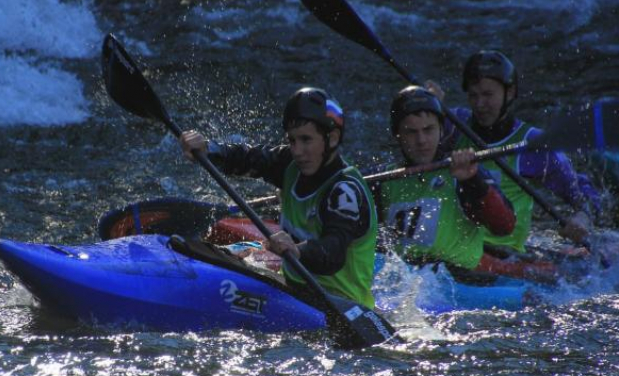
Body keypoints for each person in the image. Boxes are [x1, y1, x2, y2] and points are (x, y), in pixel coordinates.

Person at [178, 87, 378, 308]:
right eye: (292, 140)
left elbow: (333, 253)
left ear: (332, 138)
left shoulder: (344, 191)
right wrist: (208, 149)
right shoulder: (290, 164)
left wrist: (297, 249)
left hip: (339, 305)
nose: (297, 151)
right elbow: (249, 158)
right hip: (295, 291)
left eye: (306, 140)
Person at [432, 50, 602, 253]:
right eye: (473, 95)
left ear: (510, 92)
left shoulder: (534, 144)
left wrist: (581, 218)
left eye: (487, 95)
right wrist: (430, 103)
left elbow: (584, 194)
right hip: (455, 246)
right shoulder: (454, 124)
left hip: (503, 253)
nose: (479, 104)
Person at [372, 85, 517, 273]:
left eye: (428, 129)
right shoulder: (383, 179)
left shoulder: (462, 171)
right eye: (411, 132)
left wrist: (473, 182)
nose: (422, 140)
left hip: (459, 280)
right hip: (408, 281)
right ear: (398, 135)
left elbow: (504, 227)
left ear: (441, 130)